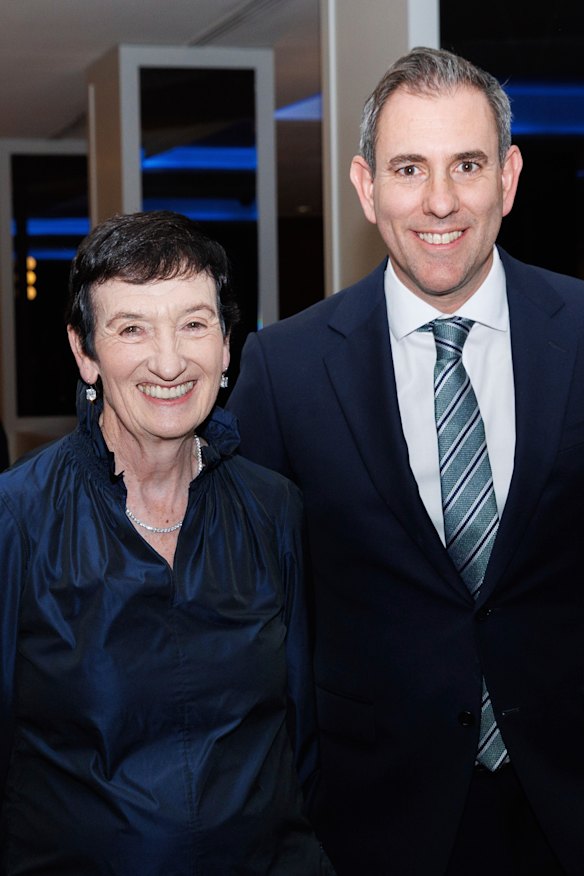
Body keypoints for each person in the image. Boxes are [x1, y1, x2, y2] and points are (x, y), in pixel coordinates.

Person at [227, 46, 584, 876]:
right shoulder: (285, 368)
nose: (439, 201)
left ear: (509, 176)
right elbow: (244, 609)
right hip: (372, 823)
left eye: (466, 164)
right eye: (408, 168)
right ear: (365, 186)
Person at [0, 210, 335, 875]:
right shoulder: (16, 520)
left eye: (193, 324)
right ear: (85, 352)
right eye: (132, 329)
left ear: (227, 344)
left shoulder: (274, 510)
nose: (170, 361)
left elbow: (302, 737)